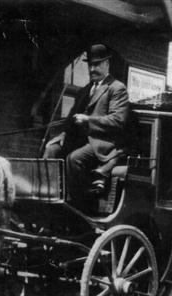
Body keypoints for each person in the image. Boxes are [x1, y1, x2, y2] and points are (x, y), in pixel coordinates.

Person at [43, 43, 130, 209]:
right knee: (51, 150)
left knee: (74, 159)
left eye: (97, 65)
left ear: (107, 64)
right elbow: (71, 119)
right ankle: (50, 200)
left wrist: (88, 120)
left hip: (102, 142)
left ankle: (79, 206)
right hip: (80, 140)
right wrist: (62, 135)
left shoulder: (117, 88)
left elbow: (118, 120)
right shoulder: (84, 90)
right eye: (90, 65)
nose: (92, 69)